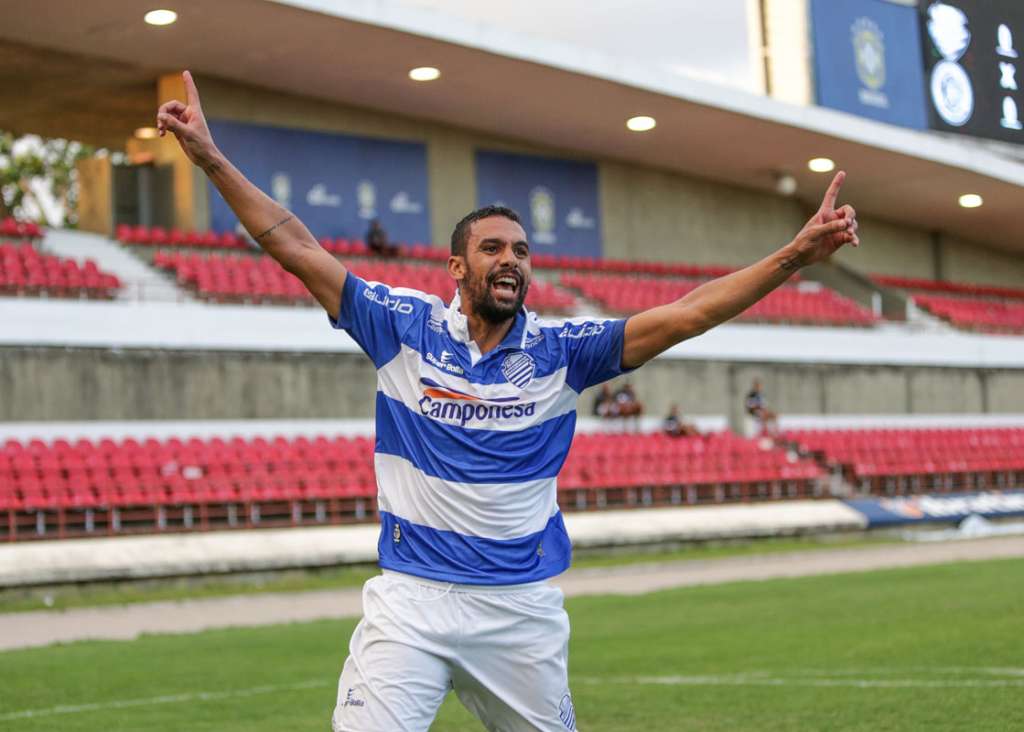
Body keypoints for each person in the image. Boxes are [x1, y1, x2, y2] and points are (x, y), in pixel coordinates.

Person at [157, 70, 859, 732]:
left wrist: (792, 258)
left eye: (521, 251)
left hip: (518, 612)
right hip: (413, 602)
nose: (511, 260)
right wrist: (211, 159)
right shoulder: (402, 327)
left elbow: (687, 315)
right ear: (457, 266)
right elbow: (295, 244)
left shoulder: (563, 352)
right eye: (493, 248)